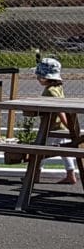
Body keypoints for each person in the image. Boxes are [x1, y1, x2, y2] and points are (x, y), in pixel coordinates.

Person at [34, 57, 78, 185]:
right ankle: (70, 174)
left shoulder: (50, 91)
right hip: (59, 127)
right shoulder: (58, 88)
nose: (37, 78)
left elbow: (60, 110)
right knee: (65, 152)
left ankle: (35, 174)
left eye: (39, 76)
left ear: (45, 78)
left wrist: (68, 125)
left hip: (52, 127)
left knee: (39, 150)